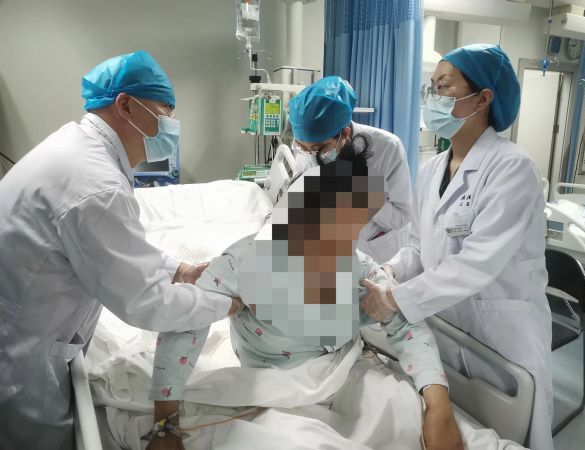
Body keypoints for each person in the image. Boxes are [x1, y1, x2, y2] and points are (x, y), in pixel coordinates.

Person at [145, 144, 463, 450]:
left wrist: (439, 407)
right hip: (270, 381)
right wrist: (165, 425)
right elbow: (186, 323)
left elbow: (407, 325)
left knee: (403, 417)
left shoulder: (358, 270)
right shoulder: (242, 263)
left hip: (339, 370)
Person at [0, 50, 242, 450]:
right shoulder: (96, 185)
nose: (172, 125)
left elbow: (115, 247)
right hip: (20, 360)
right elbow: (150, 303)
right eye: (165, 112)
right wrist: (226, 304)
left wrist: (178, 269)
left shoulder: (78, 150)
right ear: (126, 105)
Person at [359, 44, 553, 450]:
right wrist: (390, 270)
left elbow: (475, 265)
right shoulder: (432, 168)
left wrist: (393, 298)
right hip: (448, 328)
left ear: (483, 99)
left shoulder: (512, 168)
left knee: (509, 434)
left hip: (501, 336)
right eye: (431, 87)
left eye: (444, 86)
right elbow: (418, 246)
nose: (433, 97)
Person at [287, 76, 412, 264]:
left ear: (344, 134)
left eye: (319, 148)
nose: (311, 155)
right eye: (302, 147)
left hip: (376, 253)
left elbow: (403, 216)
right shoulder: (305, 148)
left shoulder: (388, 148)